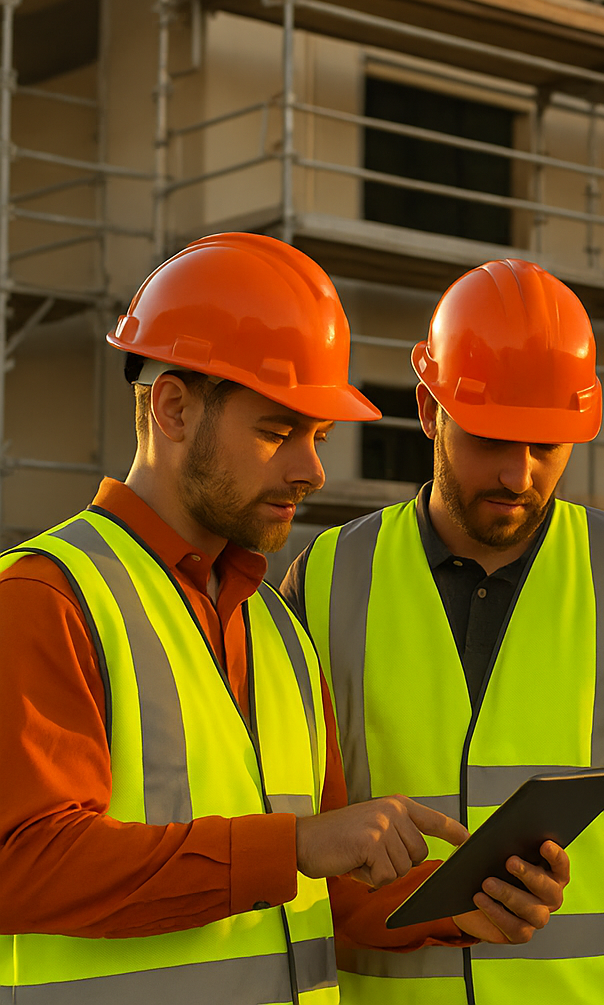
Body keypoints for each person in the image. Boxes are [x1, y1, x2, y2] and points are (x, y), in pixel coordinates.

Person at [0, 234, 566, 1004]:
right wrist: (295, 844)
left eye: (319, 436)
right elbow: (23, 865)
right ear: (171, 407)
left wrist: (462, 902)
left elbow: (320, 890)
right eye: (277, 431)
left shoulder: (277, 630)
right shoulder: (48, 597)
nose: (313, 469)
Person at [281, 258, 604, 1004]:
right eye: (493, 439)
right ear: (430, 410)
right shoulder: (328, 577)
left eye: (547, 446)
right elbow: (290, 830)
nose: (519, 476)